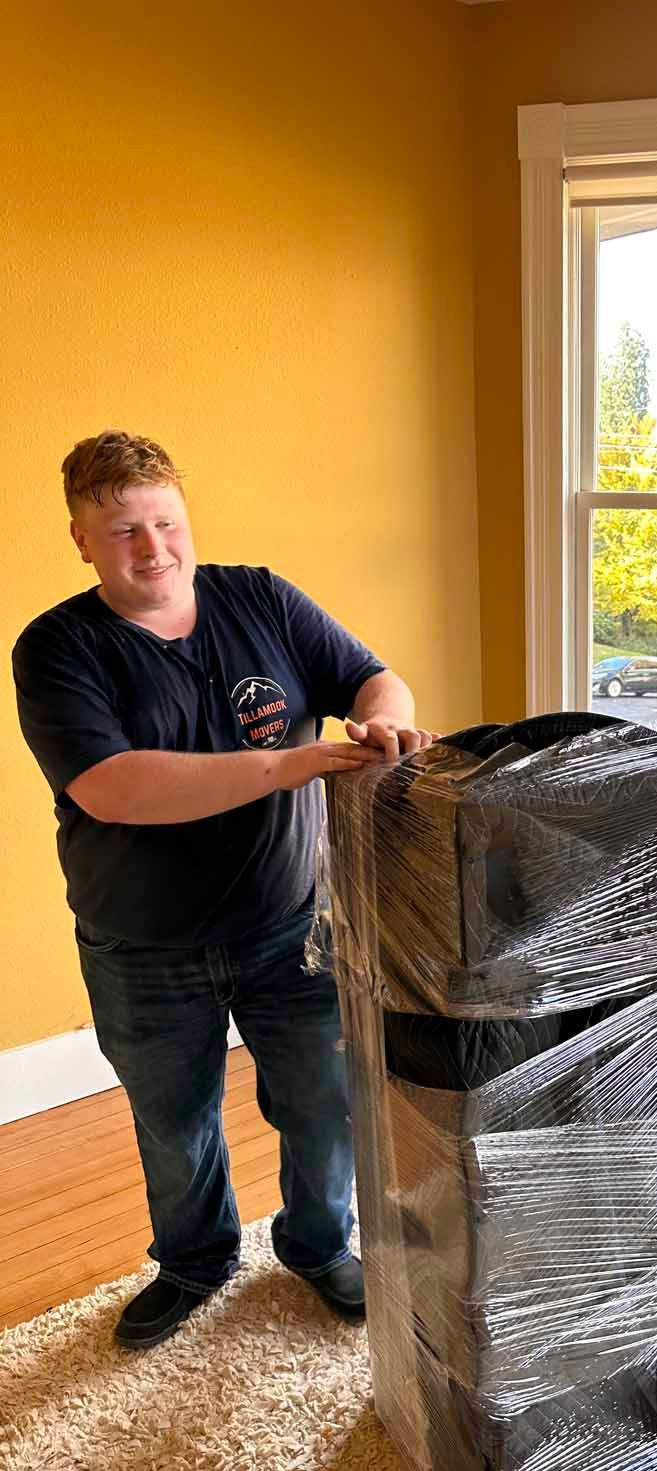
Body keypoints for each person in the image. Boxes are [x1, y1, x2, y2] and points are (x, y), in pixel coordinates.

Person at [13, 430, 432, 1349]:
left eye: (167, 523)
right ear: (82, 537)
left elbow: (373, 677)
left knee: (326, 1103)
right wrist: (284, 765)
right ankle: (196, 1262)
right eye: (124, 531)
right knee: (174, 1120)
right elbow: (111, 786)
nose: (155, 549)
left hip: (294, 926)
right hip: (142, 945)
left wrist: (382, 724)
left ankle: (321, 1246)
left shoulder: (261, 597)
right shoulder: (54, 648)